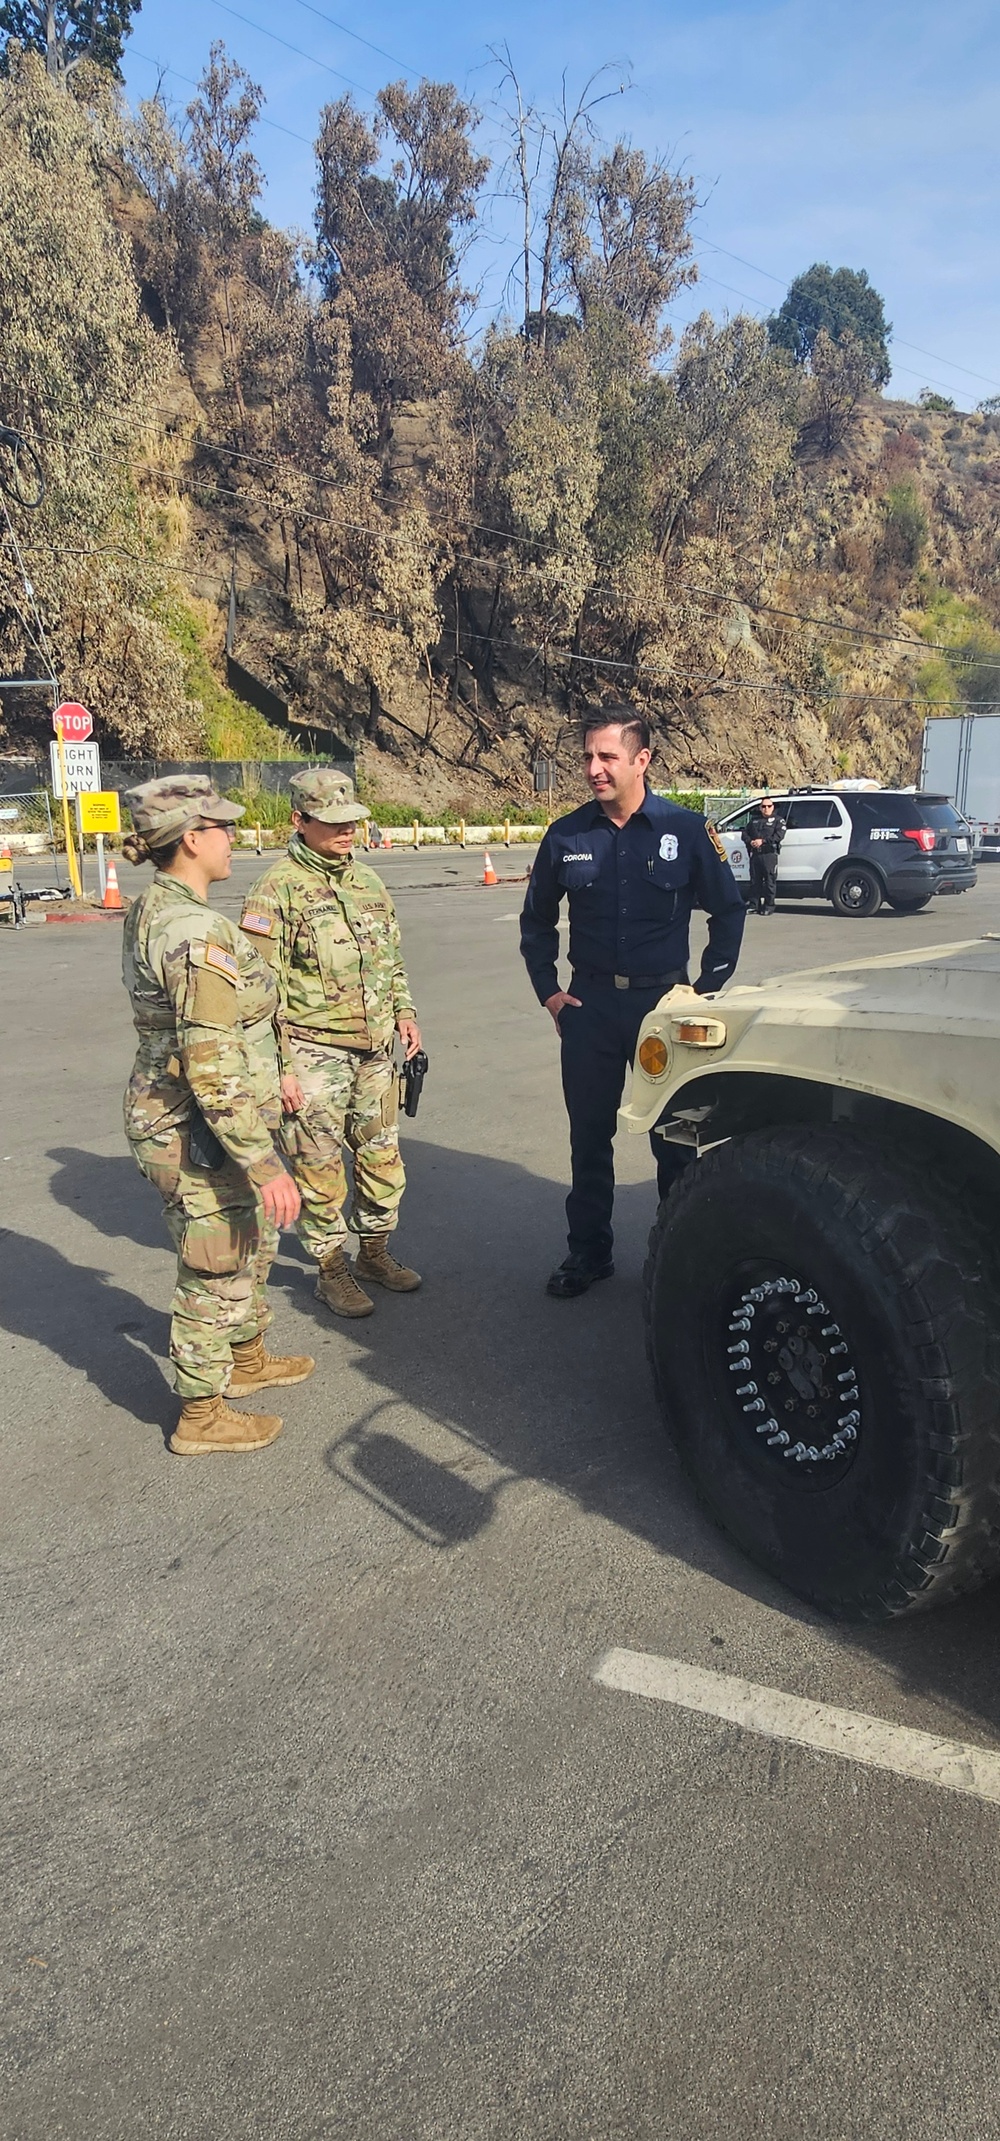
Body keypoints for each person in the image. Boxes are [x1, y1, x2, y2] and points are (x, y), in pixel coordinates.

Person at [520, 709, 746, 1298]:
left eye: (607, 758)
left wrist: (705, 989)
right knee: (589, 1138)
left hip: (663, 1009)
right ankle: (588, 1253)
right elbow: (536, 921)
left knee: (673, 1141)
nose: (594, 769)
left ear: (641, 760)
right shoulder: (567, 836)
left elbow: (729, 911)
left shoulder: (687, 830)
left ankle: (679, 1261)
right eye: (588, 757)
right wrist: (550, 994)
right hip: (589, 1008)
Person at [121, 776, 313, 1455]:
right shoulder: (193, 932)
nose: (233, 837)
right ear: (193, 838)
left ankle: (248, 1358)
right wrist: (265, 1164)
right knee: (214, 1260)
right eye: (223, 828)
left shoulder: (163, 905)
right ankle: (200, 1412)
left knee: (250, 1236)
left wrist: (274, 1074)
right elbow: (208, 1062)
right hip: (193, 1125)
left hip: (202, 1116)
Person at [240, 771, 422, 1319]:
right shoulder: (275, 890)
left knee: (382, 1155)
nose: (349, 830)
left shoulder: (368, 881)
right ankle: (331, 1269)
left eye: (354, 820)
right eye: (335, 822)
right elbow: (256, 996)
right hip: (312, 1053)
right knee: (320, 1170)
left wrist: (406, 1013)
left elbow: (391, 958)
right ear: (300, 821)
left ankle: (373, 1253)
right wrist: (279, 1072)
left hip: (373, 1052)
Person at [741, 796, 786, 914]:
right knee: (755, 881)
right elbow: (744, 834)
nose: (766, 809)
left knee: (769, 881)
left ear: (773, 807)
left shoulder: (778, 821)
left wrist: (763, 841)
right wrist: (750, 841)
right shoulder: (754, 821)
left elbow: (779, 836)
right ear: (760, 808)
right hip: (755, 855)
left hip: (769, 854)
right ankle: (754, 905)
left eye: (769, 806)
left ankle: (769, 906)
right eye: (763, 806)